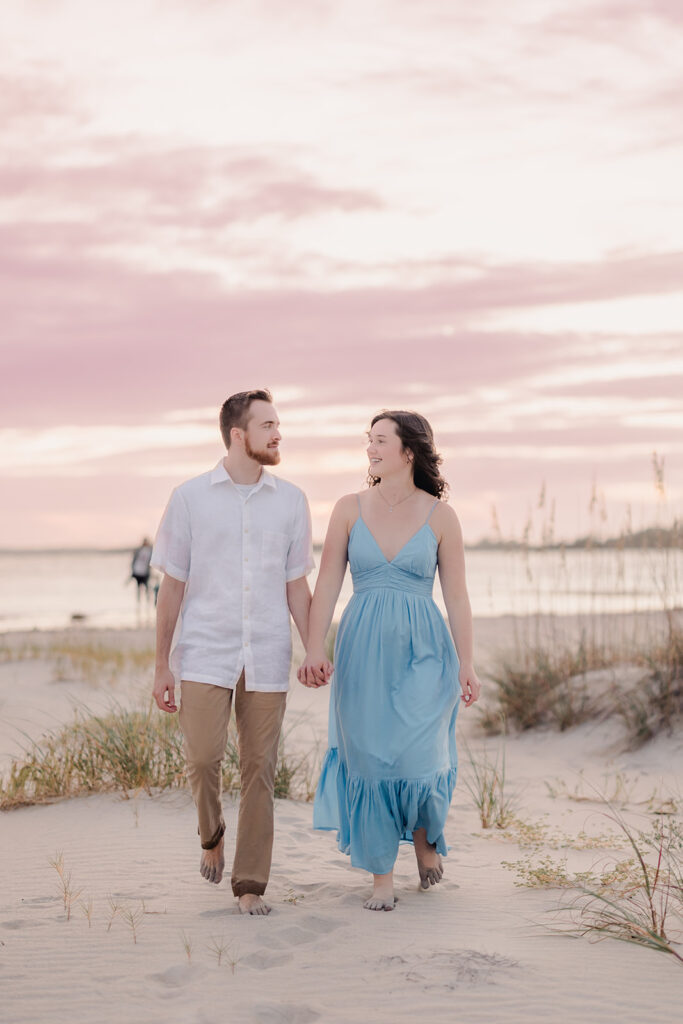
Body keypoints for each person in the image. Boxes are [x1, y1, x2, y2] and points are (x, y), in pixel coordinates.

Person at [299, 410, 481, 911]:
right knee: (372, 757)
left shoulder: (440, 515)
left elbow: (458, 598)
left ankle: (424, 841)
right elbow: (329, 585)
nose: (370, 449)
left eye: (380, 441)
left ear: (408, 452)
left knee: (421, 754)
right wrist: (315, 648)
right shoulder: (349, 508)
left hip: (426, 650)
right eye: (368, 441)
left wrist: (467, 661)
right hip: (363, 649)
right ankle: (382, 875)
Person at [151, 389, 314, 916]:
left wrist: (314, 647)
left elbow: (297, 587)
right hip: (203, 651)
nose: (278, 433)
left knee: (260, 768)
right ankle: (210, 830)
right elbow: (172, 587)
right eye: (268, 425)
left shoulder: (292, 501)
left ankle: (249, 884)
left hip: (267, 652)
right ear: (238, 435)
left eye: (278, 424)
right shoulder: (190, 498)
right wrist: (162, 665)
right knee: (202, 759)